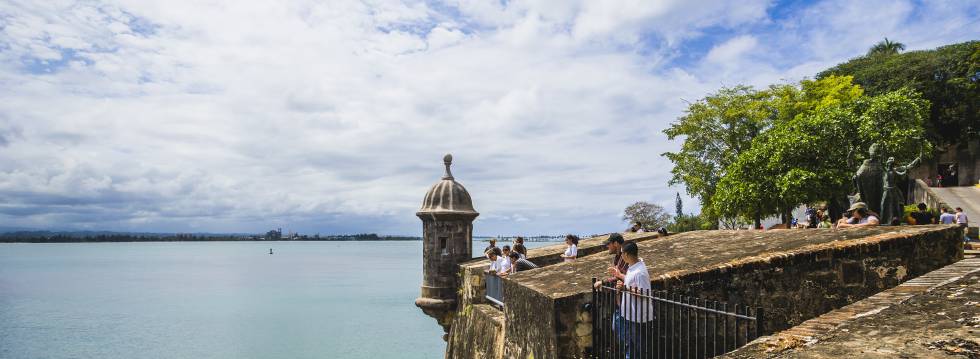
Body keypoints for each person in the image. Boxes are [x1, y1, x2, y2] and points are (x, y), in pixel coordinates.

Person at [618, 241, 654, 359]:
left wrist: (625, 288)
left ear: (627, 254)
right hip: (630, 315)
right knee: (631, 345)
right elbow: (630, 281)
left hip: (638, 318)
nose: (621, 255)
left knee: (639, 348)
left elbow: (644, 293)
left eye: (622, 253)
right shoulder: (633, 267)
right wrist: (619, 275)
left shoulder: (640, 272)